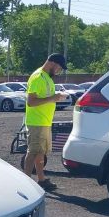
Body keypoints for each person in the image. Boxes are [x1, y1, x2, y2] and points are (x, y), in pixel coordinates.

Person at [24, 53, 70, 192]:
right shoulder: (38, 77)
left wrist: (57, 97)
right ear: (52, 63)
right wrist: (53, 98)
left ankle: (41, 179)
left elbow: (48, 97)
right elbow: (31, 102)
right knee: (33, 152)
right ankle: (25, 183)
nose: (59, 71)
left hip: (44, 122)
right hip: (37, 122)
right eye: (59, 68)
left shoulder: (47, 78)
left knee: (40, 152)